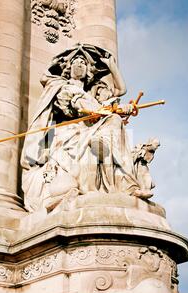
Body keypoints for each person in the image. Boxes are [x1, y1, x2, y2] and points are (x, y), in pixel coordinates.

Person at [20, 43, 149, 213]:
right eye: (76, 62)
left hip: (91, 129)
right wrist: (106, 109)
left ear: (88, 70)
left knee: (114, 121)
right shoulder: (61, 87)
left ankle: (128, 185)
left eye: (83, 63)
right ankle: (103, 152)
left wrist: (112, 67)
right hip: (68, 132)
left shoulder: (94, 90)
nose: (79, 65)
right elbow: (78, 104)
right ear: (69, 68)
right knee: (111, 120)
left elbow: (120, 90)